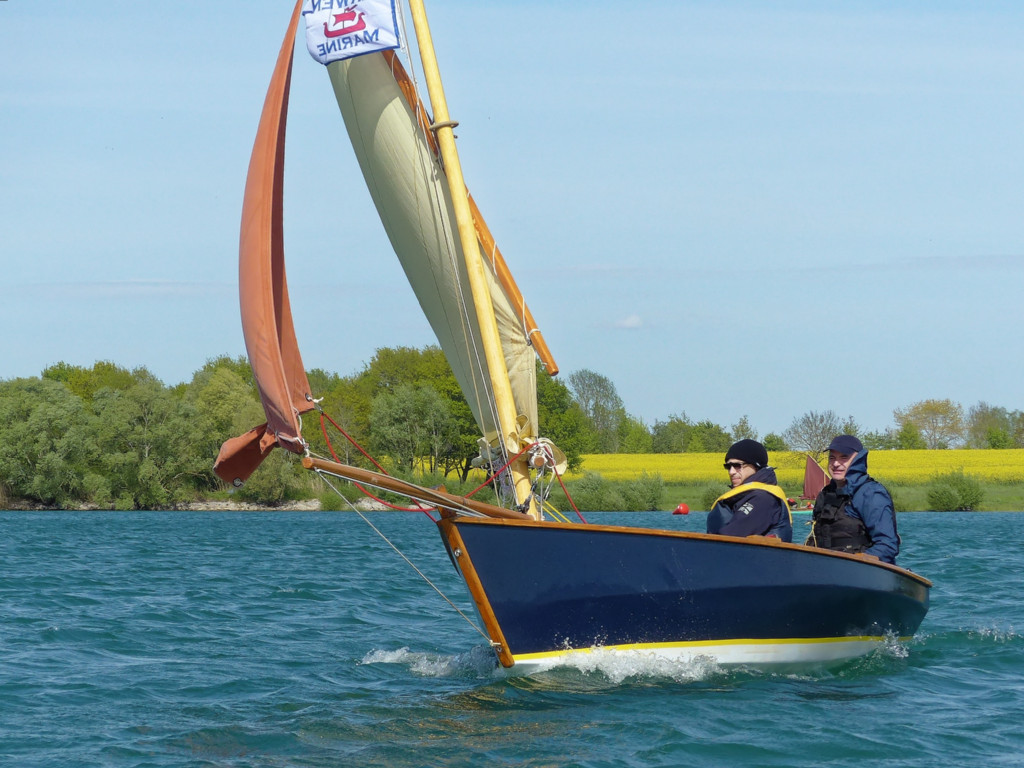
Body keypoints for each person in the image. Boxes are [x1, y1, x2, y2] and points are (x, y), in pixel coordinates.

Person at [807, 434, 900, 563]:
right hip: (825, 567)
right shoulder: (825, 494)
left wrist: (857, 561)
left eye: (844, 457)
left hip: (861, 570)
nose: (836, 464)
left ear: (858, 459)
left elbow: (887, 545)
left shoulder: (871, 494)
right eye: (832, 458)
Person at [707, 439, 793, 542]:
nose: (731, 472)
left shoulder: (764, 499)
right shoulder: (746, 496)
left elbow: (732, 535)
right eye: (728, 466)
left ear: (755, 466)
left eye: (737, 466)